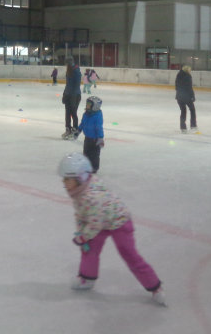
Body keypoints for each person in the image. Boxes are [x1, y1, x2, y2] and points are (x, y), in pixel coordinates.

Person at [58, 152, 166, 306]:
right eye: (64, 179)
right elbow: (81, 214)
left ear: (80, 177)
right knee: (89, 249)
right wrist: (81, 232)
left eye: (67, 179)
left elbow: (94, 224)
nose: (64, 183)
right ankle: (87, 278)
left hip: (118, 221)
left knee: (129, 254)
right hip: (99, 220)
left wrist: (83, 237)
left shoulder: (92, 197)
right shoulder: (79, 190)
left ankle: (155, 287)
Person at [76, 96, 104, 172]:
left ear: (95, 106)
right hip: (87, 138)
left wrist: (100, 138)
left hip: (95, 140)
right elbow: (82, 123)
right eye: (87, 104)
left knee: (94, 155)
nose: (87, 106)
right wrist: (78, 130)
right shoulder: (86, 114)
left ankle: (94, 168)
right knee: (86, 153)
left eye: (89, 104)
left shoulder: (97, 116)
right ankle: (86, 166)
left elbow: (99, 128)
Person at [61, 57, 82, 140]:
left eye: (67, 64)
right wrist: (64, 94)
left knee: (73, 113)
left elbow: (76, 85)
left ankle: (75, 130)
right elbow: (68, 85)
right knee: (67, 113)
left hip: (75, 96)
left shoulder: (76, 71)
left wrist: (72, 96)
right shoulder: (69, 71)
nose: (66, 66)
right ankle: (68, 129)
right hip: (68, 95)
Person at [175, 65, 197, 132]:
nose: (190, 71)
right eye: (190, 69)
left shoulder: (178, 75)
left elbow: (176, 86)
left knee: (183, 111)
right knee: (192, 110)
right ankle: (193, 125)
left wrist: (179, 93)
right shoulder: (188, 76)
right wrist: (192, 96)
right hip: (187, 97)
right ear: (187, 70)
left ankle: (183, 127)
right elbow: (189, 87)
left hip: (179, 96)